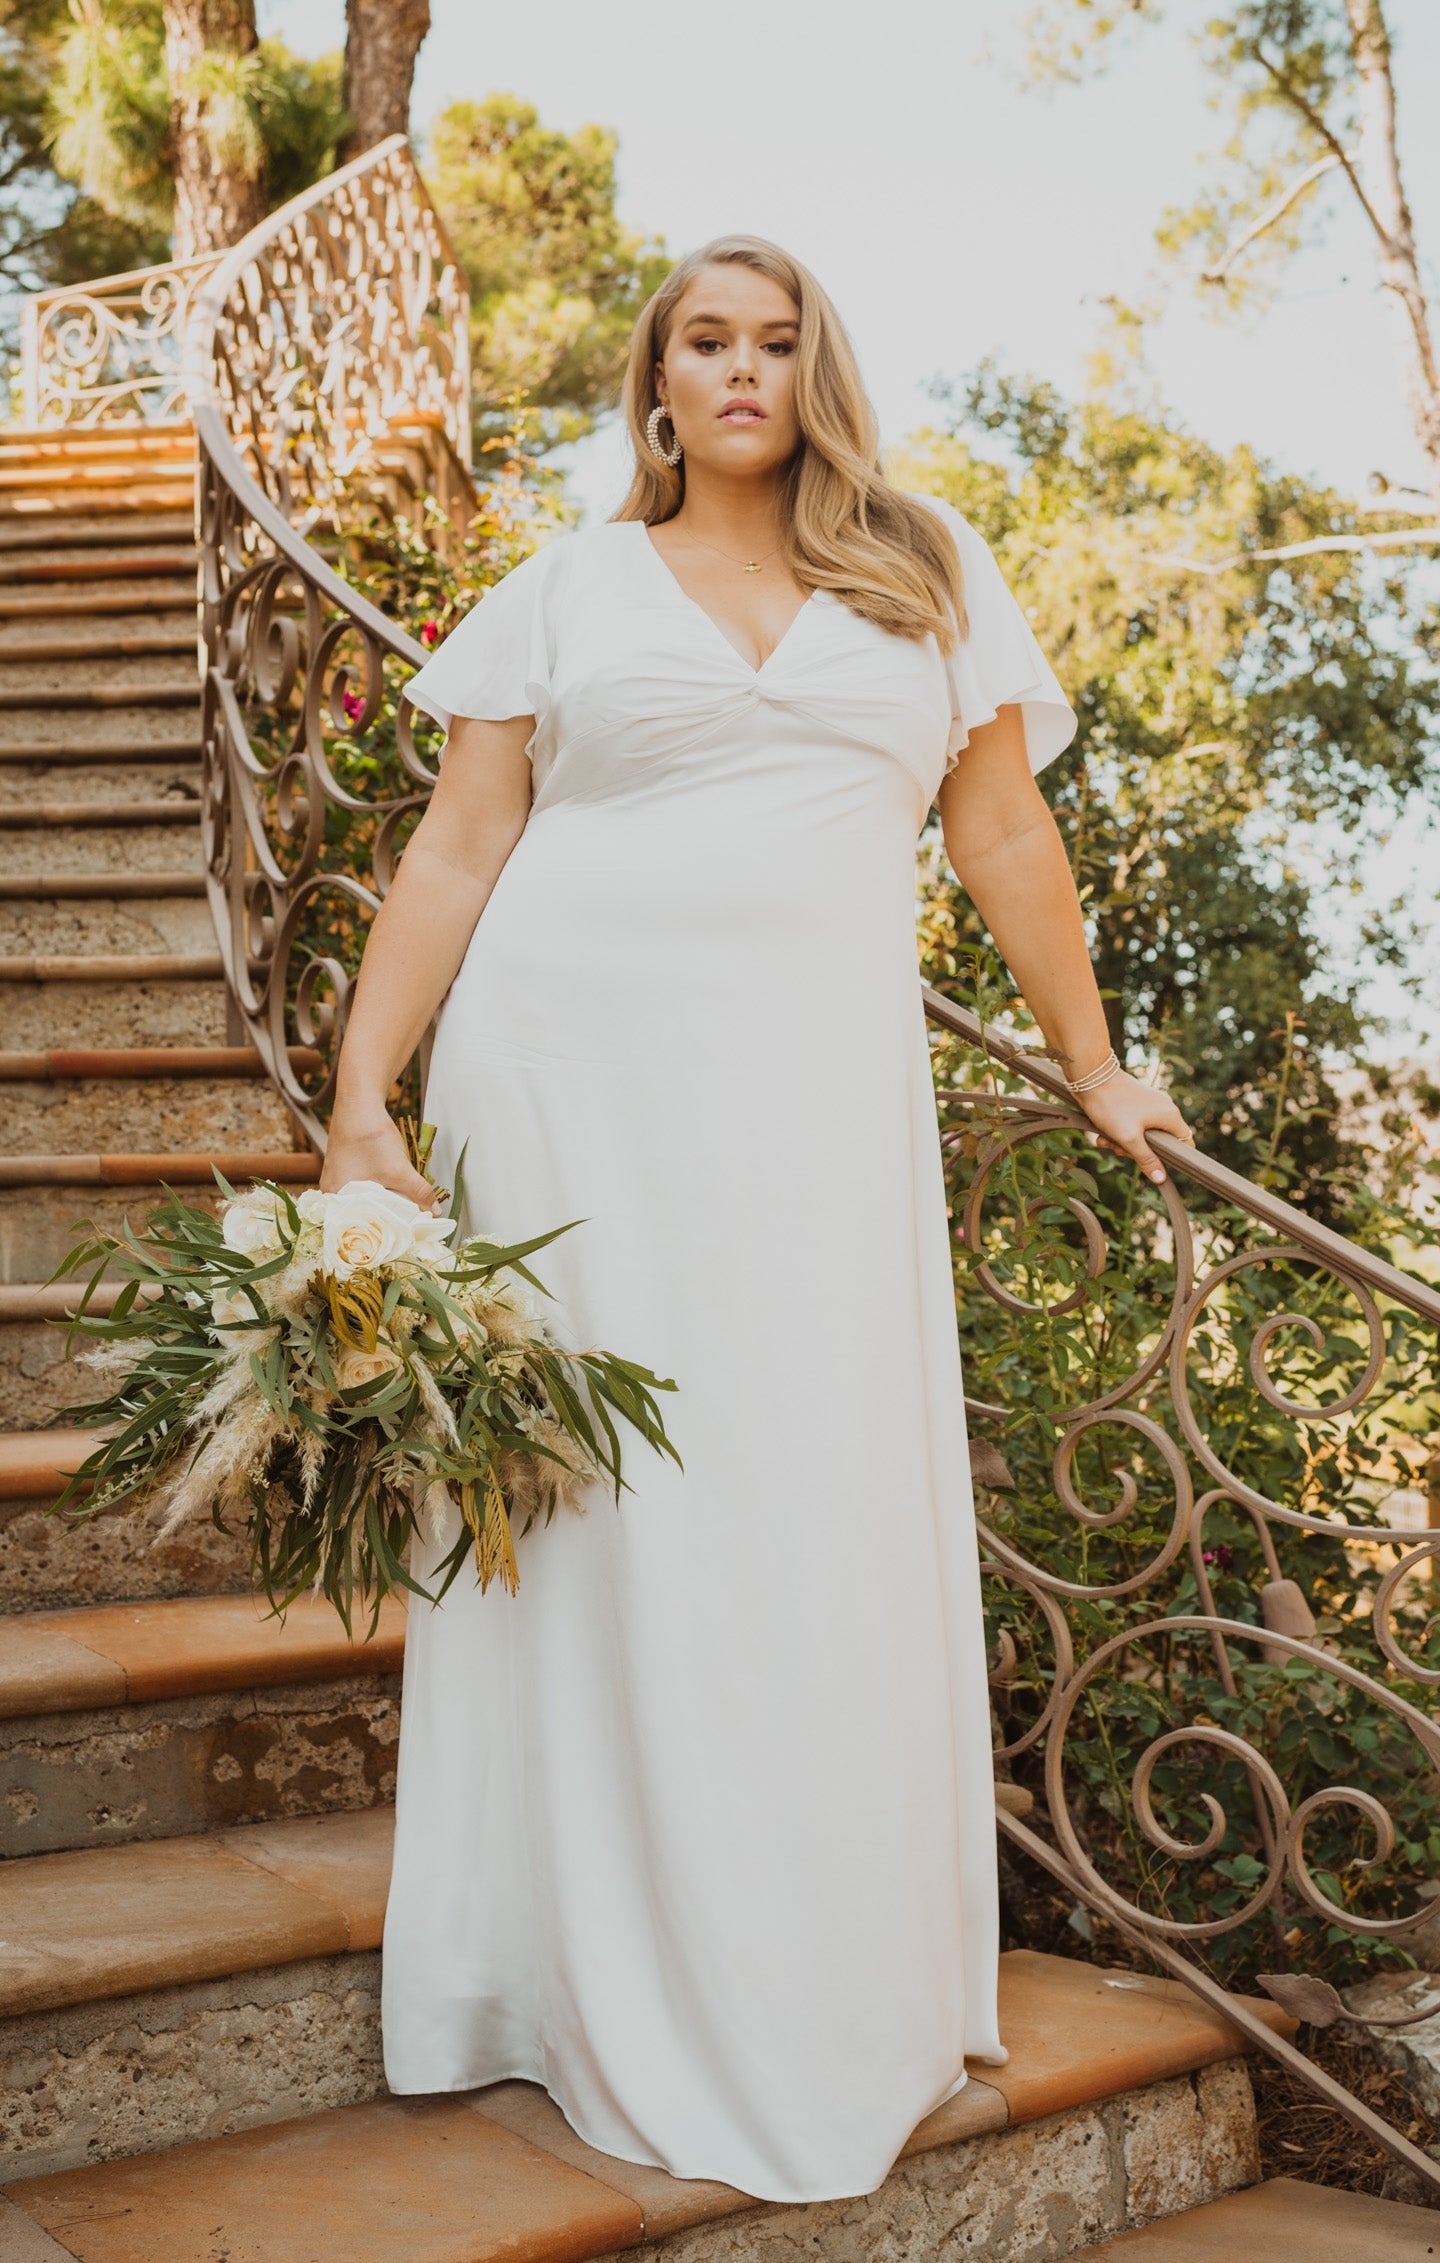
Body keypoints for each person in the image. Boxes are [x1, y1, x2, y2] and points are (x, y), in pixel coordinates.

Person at [321, 234, 1194, 2205]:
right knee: (612, 1518)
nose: (743, 370)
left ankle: (818, 1961)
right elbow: (464, 843)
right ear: (655, 378)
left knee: (805, 1500)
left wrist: (1092, 1058)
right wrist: (365, 1091)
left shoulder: (928, 566)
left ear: (820, 370)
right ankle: (586, 1966)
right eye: (708, 341)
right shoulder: (565, 587)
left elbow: (1000, 830)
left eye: (778, 341)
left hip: (808, 1107)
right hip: (568, 1091)